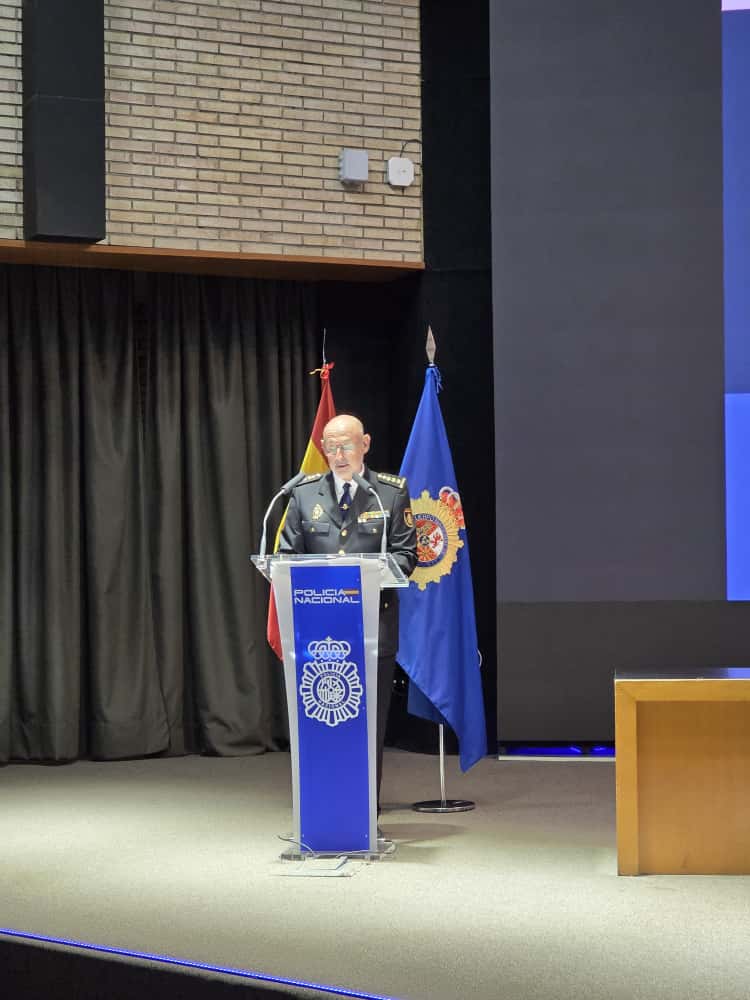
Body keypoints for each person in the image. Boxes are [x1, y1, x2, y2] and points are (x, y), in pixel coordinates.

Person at [279, 413, 418, 808]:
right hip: (316, 633)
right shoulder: (303, 495)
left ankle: (362, 814)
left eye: (347, 445)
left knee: (367, 727)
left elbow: (407, 556)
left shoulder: (389, 493)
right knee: (320, 720)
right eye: (331, 447)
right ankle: (321, 810)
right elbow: (286, 558)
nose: (338, 455)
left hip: (372, 628)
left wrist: (368, 574)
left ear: (365, 444)